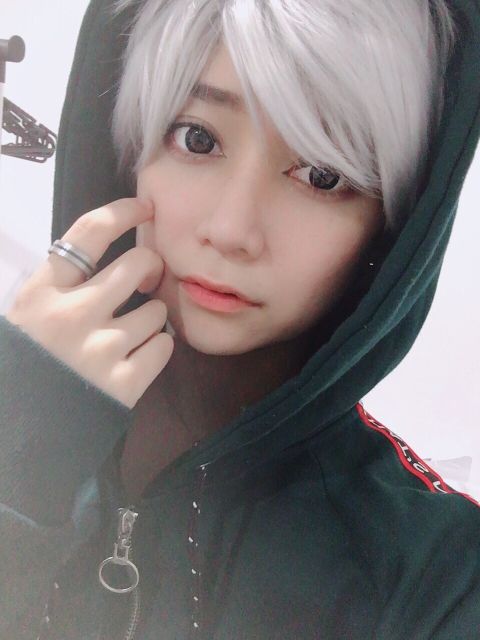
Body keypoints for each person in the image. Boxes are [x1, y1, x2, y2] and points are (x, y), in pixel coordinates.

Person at [0, 0, 479, 638]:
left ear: (393, 228)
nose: (231, 230)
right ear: (128, 150)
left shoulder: (436, 578)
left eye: (322, 175)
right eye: (197, 138)